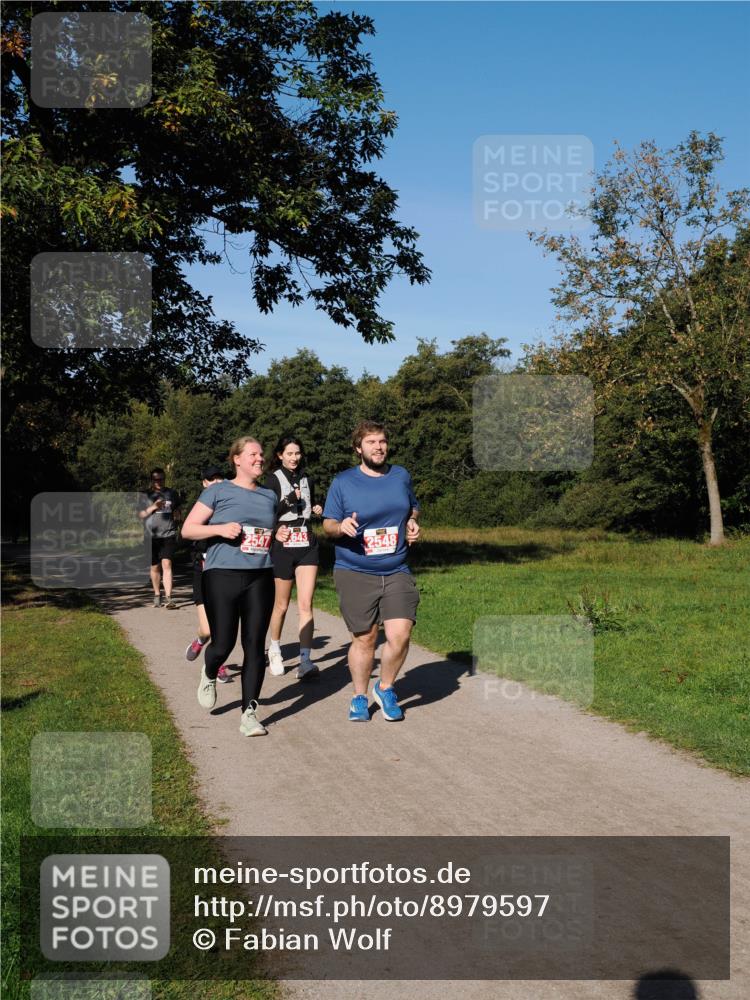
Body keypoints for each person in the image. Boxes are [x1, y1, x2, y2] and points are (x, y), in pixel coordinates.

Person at [181, 436, 291, 737]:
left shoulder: (269, 496)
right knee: (223, 643)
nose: (259, 458)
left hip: (260, 575)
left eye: (260, 454)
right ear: (237, 460)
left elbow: (265, 529)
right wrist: (219, 528)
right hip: (222, 574)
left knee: (255, 645)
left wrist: (277, 534)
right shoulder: (218, 490)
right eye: (252, 454)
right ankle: (209, 670)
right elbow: (188, 529)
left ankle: (249, 713)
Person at [323, 420, 420, 722]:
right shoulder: (343, 482)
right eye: (371, 442)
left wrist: (412, 521)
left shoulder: (400, 475)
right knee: (365, 638)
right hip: (355, 569)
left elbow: (412, 506)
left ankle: (386, 687)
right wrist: (341, 526)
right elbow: (327, 524)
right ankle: (359, 697)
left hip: (396, 567)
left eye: (382, 442)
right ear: (358, 449)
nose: (379, 447)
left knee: (400, 634)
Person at [264, 435, 324, 680]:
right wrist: (287, 502)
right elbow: (266, 513)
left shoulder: (307, 478)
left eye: (297, 453)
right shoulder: (272, 480)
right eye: (289, 453)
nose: (294, 458)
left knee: (306, 604)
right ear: (280, 455)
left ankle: (305, 660)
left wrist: (319, 506)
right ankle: (275, 650)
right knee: (281, 604)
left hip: (307, 542)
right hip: (284, 543)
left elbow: (314, 503)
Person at [184, 465, 232, 685]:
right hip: (202, 571)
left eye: (219, 478)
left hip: (224, 573)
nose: (215, 482)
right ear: (204, 483)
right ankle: (200, 640)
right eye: (211, 479)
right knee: (207, 628)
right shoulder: (200, 509)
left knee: (222, 625)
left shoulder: (230, 507)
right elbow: (187, 533)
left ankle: (217, 665)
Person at [139, 467, 181, 609]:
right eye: (156, 479)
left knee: (167, 564)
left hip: (168, 534)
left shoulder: (172, 493)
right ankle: (157, 594)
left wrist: (177, 518)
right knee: (155, 567)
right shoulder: (145, 494)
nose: (159, 482)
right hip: (151, 536)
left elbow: (177, 510)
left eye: (161, 479)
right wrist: (153, 507)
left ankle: (169, 598)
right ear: (152, 480)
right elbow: (140, 515)